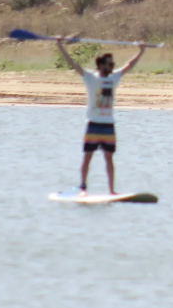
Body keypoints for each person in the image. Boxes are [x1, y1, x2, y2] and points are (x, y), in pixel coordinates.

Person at [56, 36, 146, 195]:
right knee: (88, 157)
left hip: (108, 125)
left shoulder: (114, 77)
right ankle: (83, 188)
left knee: (109, 159)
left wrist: (141, 51)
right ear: (101, 65)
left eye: (113, 64)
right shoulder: (91, 77)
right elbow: (72, 63)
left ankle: (112, 191)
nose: (112, 66)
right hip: (93, 124)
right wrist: (60, 45)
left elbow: (129, 65)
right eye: (110, 64)